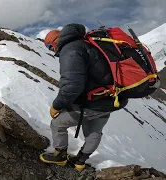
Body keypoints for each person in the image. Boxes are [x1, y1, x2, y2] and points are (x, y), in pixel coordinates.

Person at [39, 23, 128, 170]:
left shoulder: (71, 50)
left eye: (49, 47)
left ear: (55, 42)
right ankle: (81, 160)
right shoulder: (86, 44)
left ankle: (60, 156)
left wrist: (57, 106)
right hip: (111, 99)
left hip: (92, 102)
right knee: (94, 131)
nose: (52, 51)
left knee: (57, 124)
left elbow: (72, 86)